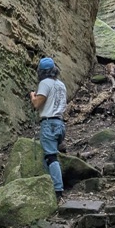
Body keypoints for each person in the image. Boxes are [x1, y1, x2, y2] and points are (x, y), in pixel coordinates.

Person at [30, 57, 67, 200]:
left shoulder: (45, 83)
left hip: (49, 123)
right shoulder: (61, 84)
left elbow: (37, 104)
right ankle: (52, 184)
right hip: (59, 123)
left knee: (51, 157)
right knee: (50, 156)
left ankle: (57, 190)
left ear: (41, 72)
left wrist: (33, 95)